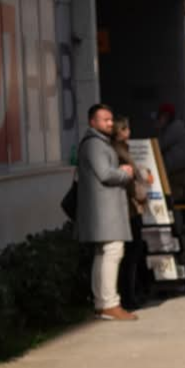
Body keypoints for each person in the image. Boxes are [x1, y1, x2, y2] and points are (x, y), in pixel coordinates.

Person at [76, 104, 139, 321]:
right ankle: (109, 303)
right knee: (112, 252)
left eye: (111, 119)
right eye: (105, 120)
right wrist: (124, 172)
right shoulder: (95, 145)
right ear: (92, 122)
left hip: (102, 211)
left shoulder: (97, 143)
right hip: (103, 211)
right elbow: (104, 174)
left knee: (104, 254)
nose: (110, 123)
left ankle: (102, 303)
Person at [111, 116, 150, 311]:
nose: (129, 132)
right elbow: (128, 181)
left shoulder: (123, 149)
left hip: (133, 207)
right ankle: (128, 296)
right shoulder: (118, 152)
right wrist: (140, 192)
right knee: (131, 254)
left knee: (133, 253)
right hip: (130, 208)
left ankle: (132, 293)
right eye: (126, 129)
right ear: (120, 131)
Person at [156, 102, 185, 203]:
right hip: (181, 168)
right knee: (182, 199)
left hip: (176, 170)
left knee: (175, 200)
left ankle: (179, 219)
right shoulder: (180, 126)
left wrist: (160, 129)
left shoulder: (174, 128)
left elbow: (160, 145)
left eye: (161, 116)